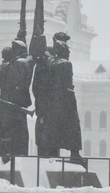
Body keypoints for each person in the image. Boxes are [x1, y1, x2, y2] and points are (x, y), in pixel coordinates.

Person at [34, 32, 84, 162]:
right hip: (62, 102)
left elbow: (38, 85)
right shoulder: (62, 64)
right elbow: (65, 85)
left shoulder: (47, 61)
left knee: (52, 131)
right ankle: (74, 153)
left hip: (51, 103)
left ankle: (55, 153)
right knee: (71, 128)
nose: (68, 53)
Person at [0, 40, 33, 162]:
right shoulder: (19, 65)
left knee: (4, 132)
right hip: (16, 106)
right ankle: (18, 155)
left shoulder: (1, 68)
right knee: (19, 133)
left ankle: (6, 155)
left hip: (5, 105)